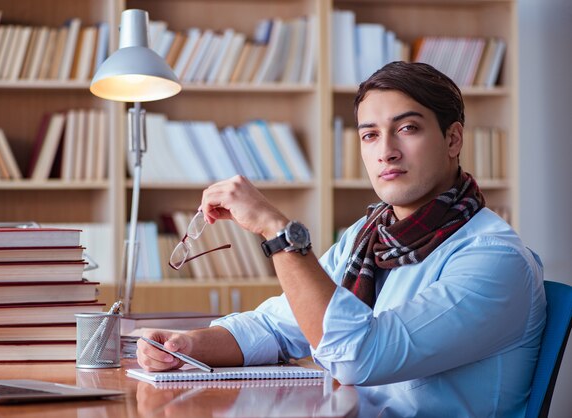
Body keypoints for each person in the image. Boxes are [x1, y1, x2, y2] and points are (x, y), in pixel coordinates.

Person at [137, 61, 546, 417]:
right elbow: (277, 327)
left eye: (407, 128)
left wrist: (278, 232)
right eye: (370, 135)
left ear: (453, 139)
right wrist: (185, 344)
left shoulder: (494, 259)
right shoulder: (367, 237)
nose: (386, 151)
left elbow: (359, 356)